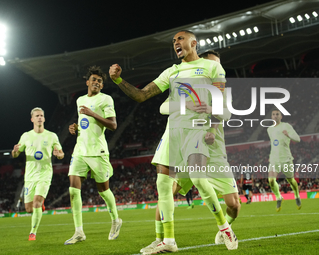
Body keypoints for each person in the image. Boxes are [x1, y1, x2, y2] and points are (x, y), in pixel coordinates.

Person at [110, 31, 238, 253]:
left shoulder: (212, 68)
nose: (176, 43)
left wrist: (211, 116)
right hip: (173, 132)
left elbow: (221, 107)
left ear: (193, 43)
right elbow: (141, 96)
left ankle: (225, 228)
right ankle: (167, 241)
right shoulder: (172, 71)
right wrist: (118, 80)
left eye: (180, 39)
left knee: (199, 177)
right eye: (173, 41)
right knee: (163, 185)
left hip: (197, 131)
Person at [64, 66, 122, 245]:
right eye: (94, 80)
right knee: (74, 190)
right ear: (87, 82)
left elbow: (113, 125)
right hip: (80, 150)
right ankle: (79, 231)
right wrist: (74, 127)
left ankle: (115, 220)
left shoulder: (106, 99)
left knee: (103, 190)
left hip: (98, 151)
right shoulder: (80, 100)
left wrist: (92, 113)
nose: (96, 82)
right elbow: (84, 122)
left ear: (102, 86)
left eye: (99, 81)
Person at [12, 107, 64, 241]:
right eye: (37, 116)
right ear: (32, 119)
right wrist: (15, 151)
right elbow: (16, 154)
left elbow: (61, 154)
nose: (39, 117)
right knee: (29, 208)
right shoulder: (26, 136)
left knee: (36, 204)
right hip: (30, 176)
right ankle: (40, 206)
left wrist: (59, 155)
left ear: (44, 118)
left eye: (41, 115)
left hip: (45, 174)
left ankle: (32, 233)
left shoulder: (52, 136)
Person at [267, 108, 301, 212]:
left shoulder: (286, 126)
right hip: (274, 159)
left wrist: (288, 135)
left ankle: (297, 195)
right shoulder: (269, 129)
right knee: (271, 180)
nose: (275, 116)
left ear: (281, 116)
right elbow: (274, 143)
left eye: (277, 114)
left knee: (291, 180)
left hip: (286, 159)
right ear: (271, 117)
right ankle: (279, 197)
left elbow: (298, 139)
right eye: (273, 114)